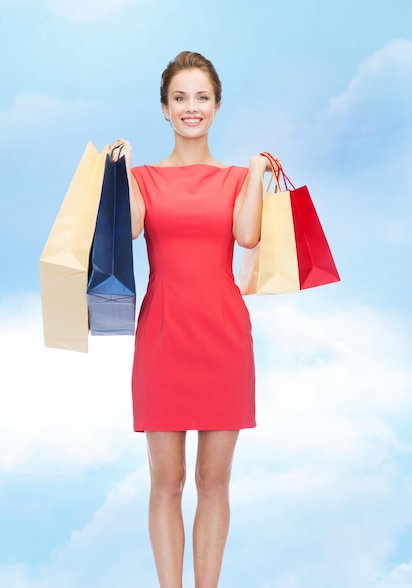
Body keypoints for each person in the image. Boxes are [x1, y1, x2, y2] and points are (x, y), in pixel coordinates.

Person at [110, 51, 278, 588]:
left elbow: (249, 236)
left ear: (217, 106)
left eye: (201, 97)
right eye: (180, 97)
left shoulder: (235, 177)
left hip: (224, 338)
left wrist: (254, 173)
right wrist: (117, 173)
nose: (191, 107)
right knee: (166, 482)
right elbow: (128, 231)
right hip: (161, 336)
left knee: (213, 481)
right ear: (164, 108)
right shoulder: (142, 178)